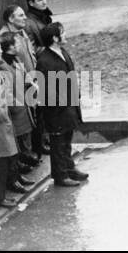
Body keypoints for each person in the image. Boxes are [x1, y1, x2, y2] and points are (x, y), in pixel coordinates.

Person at [34, 24, 89, 188]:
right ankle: (60, 175)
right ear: (54, 39)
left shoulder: (62, 52)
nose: (65, 35)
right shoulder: (45, 61)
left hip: (69, 106)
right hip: (57, 111)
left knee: (66, 140)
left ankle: (69, 168)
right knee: (58, 143)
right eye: (62, 33)